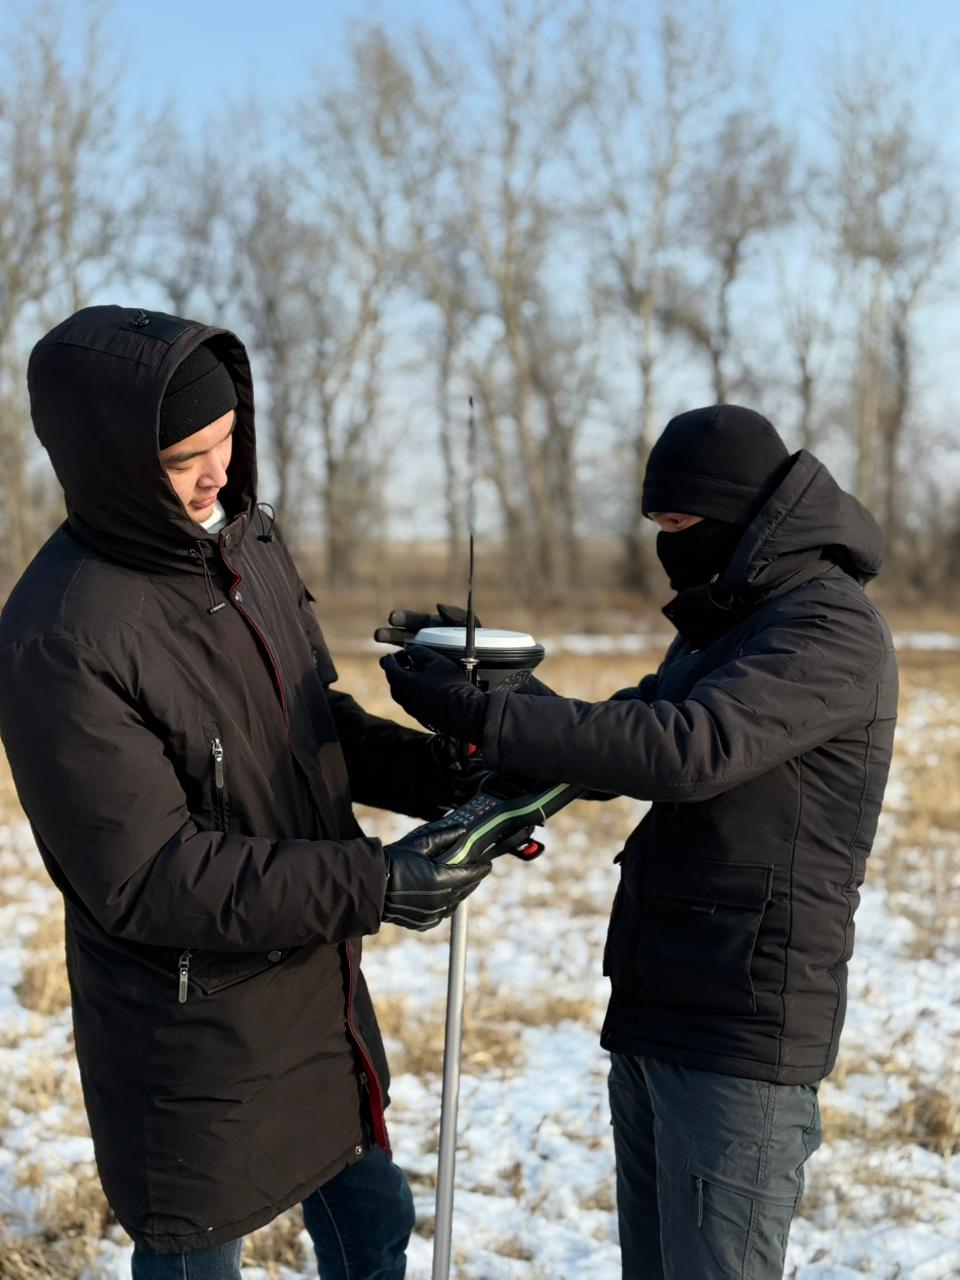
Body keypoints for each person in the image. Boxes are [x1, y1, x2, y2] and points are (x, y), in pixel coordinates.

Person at [0, 305, 494, 1279]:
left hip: (317, 990)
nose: (217, 473)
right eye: (185, 456)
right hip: (195, 1034)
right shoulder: (62, 633)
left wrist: (446, 769)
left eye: (227, 439)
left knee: (375, 1224)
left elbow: (312, 722)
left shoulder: (245, 542)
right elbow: (148, 876)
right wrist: (374, 883)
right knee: (197, 1261)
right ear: (106, 461)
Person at [381, 404, 899, 1280]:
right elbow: (632, 728)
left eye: (682, 524)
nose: (667, 545)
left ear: (740, 513)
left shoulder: (826, 627)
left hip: (741, 1022)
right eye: (656, 524)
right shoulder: (735, 618)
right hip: (663, 998)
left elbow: (687, 751)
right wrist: (505, 691)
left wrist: (481, 715)